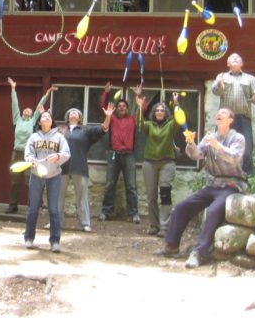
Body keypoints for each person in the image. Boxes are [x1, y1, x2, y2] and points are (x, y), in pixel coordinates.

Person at [155, 108, 246, 268]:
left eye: (223, 113)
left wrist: (217, 146)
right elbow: (196, 155)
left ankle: (199, 253)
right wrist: (190, 142)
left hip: (231, 185)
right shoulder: (210, 137)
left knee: (211, 212)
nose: (219, 114)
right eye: (218, 112)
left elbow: (234, 158)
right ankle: (172, 247)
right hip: (212, 184)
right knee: (182, 207)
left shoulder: (238, 138)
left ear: (230, 120)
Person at [58, 103, 114, 232]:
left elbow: (103, 128)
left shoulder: (85, 130)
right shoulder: (60, 130)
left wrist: (108, 117)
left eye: (76, 112)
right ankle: (56, 221)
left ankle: (85, 223)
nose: (73, 113)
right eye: (71, 112)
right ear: (67, 117)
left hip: (79, 166)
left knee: (82, 196)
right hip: (61, 167)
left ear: (79, 118)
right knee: (57, 196)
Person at [6, 77, 56, 214]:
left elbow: (40, 104)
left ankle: (32, 207)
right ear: (22, 112)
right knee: (15, 181)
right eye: (26, 110)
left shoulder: (33, 121)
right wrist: (13, 89)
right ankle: (12, 206)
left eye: (30, 110)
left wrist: (47, 94)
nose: (27, 111)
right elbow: (14, 104)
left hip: (29, 154)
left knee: (30, 181)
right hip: (16, 152)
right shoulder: (17, 119)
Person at [99, 81, 146, 223]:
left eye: (124, 106)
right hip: (114, 155)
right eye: (119, 106)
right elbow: (103, 107)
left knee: (131, 186)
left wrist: (139, 95)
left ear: (127, 108)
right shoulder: (112, 119)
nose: (121, 108)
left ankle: (134, 214)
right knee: (109, 185)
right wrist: (106, 93)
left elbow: (143, 109)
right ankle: (106, 212)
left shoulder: (133, 119)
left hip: (129, 155)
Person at [23, 110, 70, 253]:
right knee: (33, 208)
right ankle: (29, 238)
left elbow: (66, 153)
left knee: (53, 209)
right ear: (39, 122)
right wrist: (32, 161)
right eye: (44, 116)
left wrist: (58, 156)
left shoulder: (59, 137)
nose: (46, 117)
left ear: (52, 121)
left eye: (49, 116)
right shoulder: (33, 137)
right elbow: (28, 154)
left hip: (54, 175)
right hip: (36, 175)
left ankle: (55, 241)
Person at [212, 53, 255, 175]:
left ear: (242, 64)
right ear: (227, 63)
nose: (235, 58)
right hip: (225, 120)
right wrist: (220, 84)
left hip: (244, 119)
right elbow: (215, 91)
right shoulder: (222, 76)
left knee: (246, 150)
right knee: (219, 148)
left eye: (238, 58)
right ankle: (218, 176)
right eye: (232, 58)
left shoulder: (250, 79)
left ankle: (248, 178)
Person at [135, 93, 180, 236]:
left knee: (165, 193)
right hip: (149, 163)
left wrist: (176, 104)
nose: (159, 112)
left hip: (167, 163)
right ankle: (154, 225)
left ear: (166, 113)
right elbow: (139, 123)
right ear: (154, 113)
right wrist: (139, 107)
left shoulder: (171, 125)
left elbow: (179, 120)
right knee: (151, 196)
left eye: (162, 110)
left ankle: (165, 227)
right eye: (157, 110)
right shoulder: (149, 125)